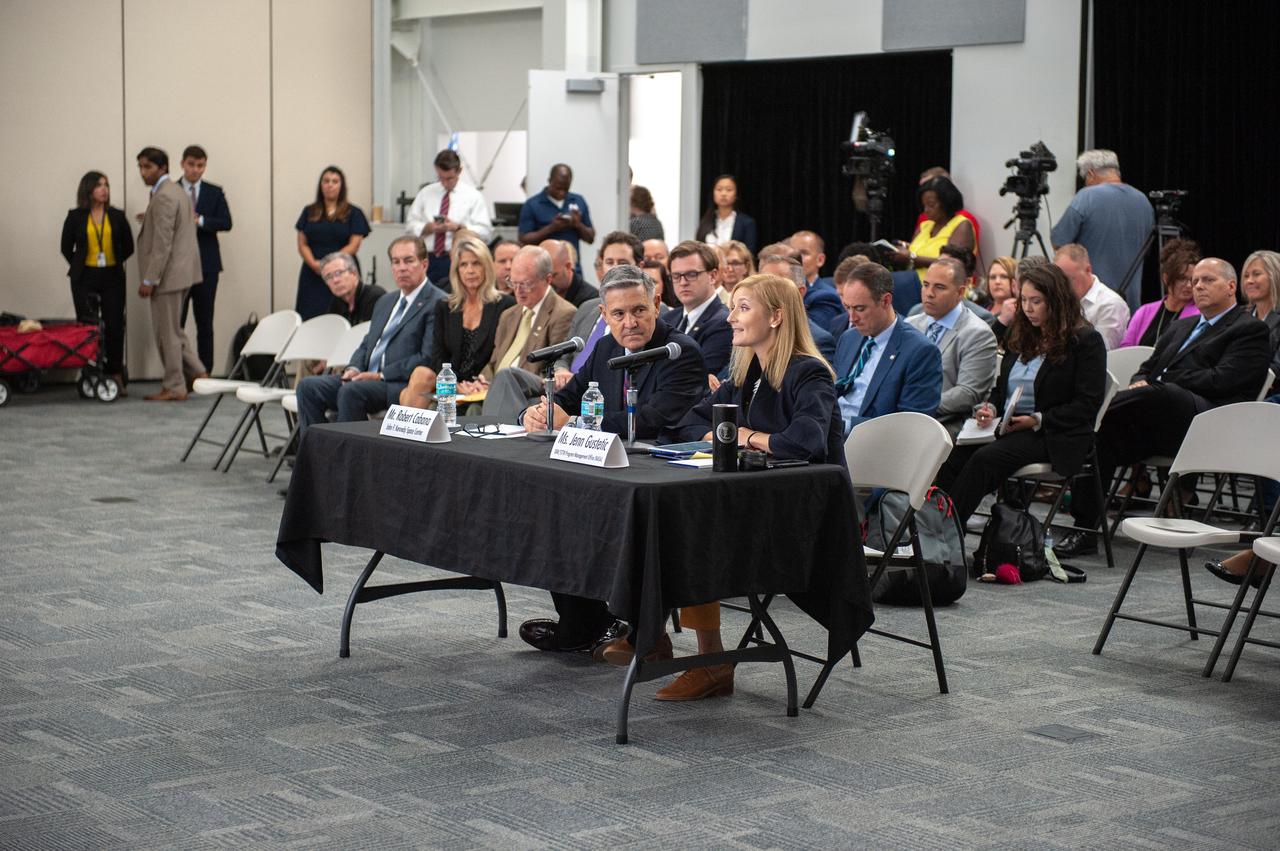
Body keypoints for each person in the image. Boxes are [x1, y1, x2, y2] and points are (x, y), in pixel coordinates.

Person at [599, 273, 843, 700]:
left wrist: (741, 434)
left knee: (694, 530)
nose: (729, 317)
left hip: (803, 517)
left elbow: (806, 442)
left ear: (777, 317)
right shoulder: (745, 374)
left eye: (742, 308)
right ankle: (650, 633)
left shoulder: (809, 374)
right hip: (749, 499)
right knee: (663, 517)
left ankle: (711, 661)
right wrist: (731, 432)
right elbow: (687, 424)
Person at [517, 265, 705, 656]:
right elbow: (568, 401)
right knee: (553, 505)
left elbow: (656, 418)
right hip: (604, 470)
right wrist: (536, 414)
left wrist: (581, 425)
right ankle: (585, 623)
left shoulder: (680, 351)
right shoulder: (604, 348)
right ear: (604, 315)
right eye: (618, 314)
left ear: (657, 304)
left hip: (654, 477)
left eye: (638, 310)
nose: (630, 322)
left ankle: (628, 629)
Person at [1059, 258, 1273, 556]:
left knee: (1160, 392)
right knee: (1100, 436)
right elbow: (1146, 370)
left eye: (1207, 280)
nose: (1197, 286)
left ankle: (1080, 414)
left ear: (1231, 286)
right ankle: (1084, 530)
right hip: (1157, 421)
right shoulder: (1181, 326)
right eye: (1195, 280)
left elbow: (1222, 380)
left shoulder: (1248, 329)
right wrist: (1142, 382)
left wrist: (1159, 382)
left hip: (1207, 421)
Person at [935, 263, 1108, 527]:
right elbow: (1001, 389)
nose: (1028, 309)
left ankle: (946, 531)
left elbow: (1087, 405)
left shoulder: (1085, 340)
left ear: (1056, 300)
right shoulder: (1025, 333)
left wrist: (1037, 419)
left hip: (1054, 433)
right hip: (1010, 426)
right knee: (953, 454)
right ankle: (932, 526)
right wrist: (991, 408)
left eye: (1036, 301)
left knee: (985, 459)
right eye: (1024, 300)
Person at [294, 236, 447, 434]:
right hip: (365, 377)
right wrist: (354, 368)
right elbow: (367, 344)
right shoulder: (385, 301)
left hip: (398, 383)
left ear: (424, 264)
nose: (401, 268)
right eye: (396, 262)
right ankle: (317, 456)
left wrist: (379, 375)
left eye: (408, 261)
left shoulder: (437, 302)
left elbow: (426, 358)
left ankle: (349, 459)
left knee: (351, 392)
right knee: (308, 387)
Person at [398, 237, 515, 406]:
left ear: (487, 267)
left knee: (406, 395)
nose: (470, 270)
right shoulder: (445, 306)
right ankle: (407, 429)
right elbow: (438, 356)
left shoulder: (505, 305)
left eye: (476, 263)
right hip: (451, 383)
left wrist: (478, 383)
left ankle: (405, 423)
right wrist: (455, 385)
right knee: (421, 373)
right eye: (464, 265)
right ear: (457, 270)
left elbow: (502, 355)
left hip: (482, 383)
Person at [466, 246, 576, 421]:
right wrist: (481, 380)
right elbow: (494, 362)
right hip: (496, 387)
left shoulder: (564, 313)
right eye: (513, 283)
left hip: (528, 388)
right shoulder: (508, 315)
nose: (518, 290)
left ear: (547, 279)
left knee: (505, 376)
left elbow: (554, 368)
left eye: (525, 284)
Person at [832, 261, 942, 436]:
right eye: (847, 308)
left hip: (870, 445)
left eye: (859, 308)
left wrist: (841, 427)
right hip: (829, 436)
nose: (852, 318)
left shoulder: (920, 351)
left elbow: (909, 425)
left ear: (885, 300)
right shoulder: (849, 338)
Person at [134, 146, 206, 401]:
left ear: (162, 167)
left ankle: (175, 385)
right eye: (140, 166)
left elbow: (163, 243)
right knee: (175, 330)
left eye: (148, 167)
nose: (143, 172)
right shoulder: (173, 191)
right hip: (182, 272)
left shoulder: (164, 195)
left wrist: (149, 279)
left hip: (168, 276)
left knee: (167, 334)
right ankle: (199, 373)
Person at [1050, 149, 1155, 312]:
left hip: (1093, 304)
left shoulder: (1087, 196)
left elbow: (1059, 242)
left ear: (1090, 174)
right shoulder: (1144, 201)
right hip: (1132, 305)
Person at [906, 256, 998, 437]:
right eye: (925, 285)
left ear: (960, 292)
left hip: (944, 424)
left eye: (939, 287)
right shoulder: (911, 323)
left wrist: (915, 405)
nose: (929, 293)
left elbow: (967, 393)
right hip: (903, 415)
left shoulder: (977, 333)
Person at [60, 171, 134, 392]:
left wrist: (113, 261)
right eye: (99, 185)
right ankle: (90, 371)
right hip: (85, 277)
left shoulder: (117, 216)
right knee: (88, 326)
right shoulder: (75, 216)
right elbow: (65, 247)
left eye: (107, 185)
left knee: (114, 325)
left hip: (112, 276)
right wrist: (80, 264)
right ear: (88, 189)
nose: (105, 190)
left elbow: (128, 246)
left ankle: (114, 373)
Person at [176, 145, 232, 374]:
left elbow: (226, 222)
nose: (196, 170)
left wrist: (199, 221)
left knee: (205, 322)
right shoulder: (172, 189)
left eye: (200, 166)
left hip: (207, 265)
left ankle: (204, 372)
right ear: (182, 164)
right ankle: (179, 371)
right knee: (176, 322)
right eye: (191, 165)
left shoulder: (214, 192)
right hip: (178, 266)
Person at [405, 149, 493, 286]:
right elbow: (410, 225)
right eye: (441, 178)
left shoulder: (473, 196)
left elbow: (486, 232)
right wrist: (428, 227)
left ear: (459, 171)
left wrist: (458, 228)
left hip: (457, 259)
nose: (445, 183)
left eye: (449, 178)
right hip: (428, 257)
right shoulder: (426, 193)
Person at [295, 166, 370, 319]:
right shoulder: (309, 211)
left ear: (341, 186)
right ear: (320, 185)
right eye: (326, 181)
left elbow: (354, 245)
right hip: (313, 271)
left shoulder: (354, 212)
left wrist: (330, 266)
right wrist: (316, 265)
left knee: (344, 315)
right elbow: (302, 243)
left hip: (342, 271)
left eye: (335, 181)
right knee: (311, 316)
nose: (330, 185)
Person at [665, 240, 733, 379]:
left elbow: (696, 377)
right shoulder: (667, 319)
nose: (683, 282)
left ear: (712, 276)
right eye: (676, 276)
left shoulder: (723, 323)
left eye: (691, 274)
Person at [890, 176, 976, 283]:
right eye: (923, 205)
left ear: (947, 202)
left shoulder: (961, 224)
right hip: (914, 285)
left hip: (945, 290)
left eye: (931, 205)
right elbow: (913, 253)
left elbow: (953, 264)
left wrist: (912, 258)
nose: (926, 210)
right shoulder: (925, 226)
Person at [1120, 239, 1201, 348]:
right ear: (1166, 278)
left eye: (1193, 280)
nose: (1189, 285)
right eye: (1182, 279)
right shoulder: (1144, 311)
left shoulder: (1200, 314)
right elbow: (1126, 349)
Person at [757, 254, 837, 365]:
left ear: (800, 292)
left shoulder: (818, 341)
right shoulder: (752, 330)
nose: (764, 291)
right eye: (760, 284)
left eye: (775, 284)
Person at [518, 164, 595, 273]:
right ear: (549, 181)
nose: (562, 192)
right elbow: (524, 239)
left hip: (572, 269)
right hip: (542, 269)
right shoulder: (532, 204)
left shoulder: (578, 201)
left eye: (566, 188)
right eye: (558, 188)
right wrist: (552, 228)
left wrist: (578, 225)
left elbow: (590, 238)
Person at [1054, 244, 1131, 349]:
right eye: (1059, 281)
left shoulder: (1110, 304)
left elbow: (1103, 351)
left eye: (1069, 279)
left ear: (1088, 270)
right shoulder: (1057, 299)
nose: (1064, 286)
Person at [914, 166, 981, 244]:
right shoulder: (924, 218)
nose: (924, 189)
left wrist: (912, 256)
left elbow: (963, 252)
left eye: (929, 185)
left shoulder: (965, 220)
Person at [694, 174, 757, 253]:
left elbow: (749, 253)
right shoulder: (705, 221)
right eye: (719, 189)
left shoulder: (746, 223)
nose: (723, 194)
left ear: (736, 194)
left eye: (729, 190)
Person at [322, 252, 385, 324]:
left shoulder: (375, 297)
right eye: (329, 277)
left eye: (338, 273)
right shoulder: (335, 304)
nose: (335, 280)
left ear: (354, 273)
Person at [540, 238, 597, 307]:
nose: (548, 282)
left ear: (568, 266)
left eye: (553, 276)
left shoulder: (591, 300)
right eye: (542, 277)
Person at [980, 256, 1019, 348]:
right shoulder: (980, 306)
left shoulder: (1020, 314)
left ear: (1014, 282)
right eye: (993, 277)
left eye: (1004, 276)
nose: (997, 282)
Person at [716, 240, 754, 304]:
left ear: (746, 267)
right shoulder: (711, 294)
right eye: (726, 263)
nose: (730, 269)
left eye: (735, 263)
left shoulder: (754, 294)